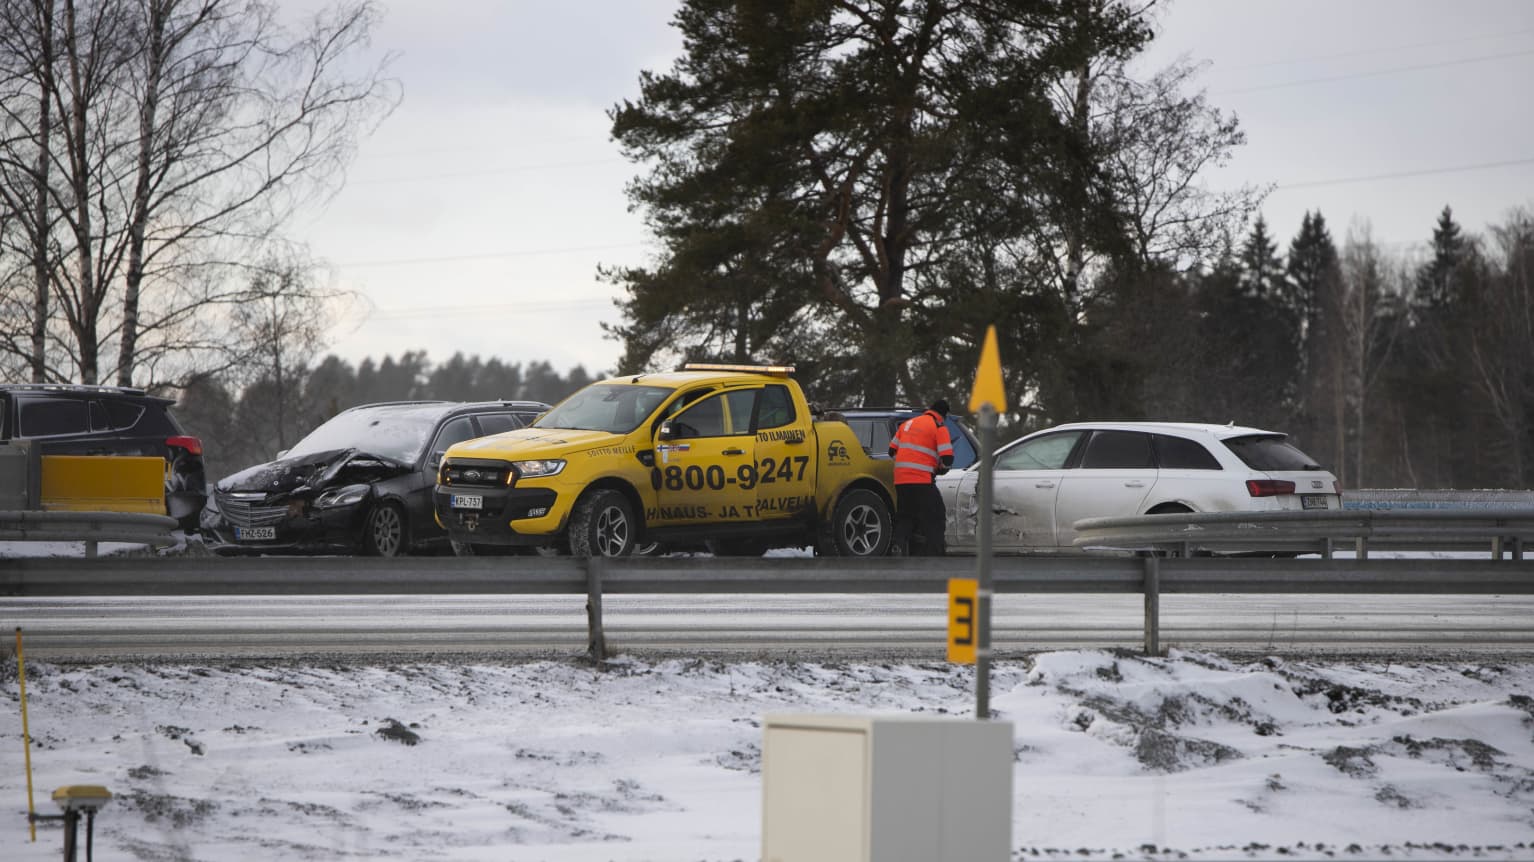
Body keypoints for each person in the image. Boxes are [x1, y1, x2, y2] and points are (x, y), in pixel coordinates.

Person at [887, 399, 954, 556]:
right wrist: (940, 468)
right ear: (944, 415)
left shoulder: (908, 424)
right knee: (936, 516)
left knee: (905, 516)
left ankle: (897, 545)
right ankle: (935, 553)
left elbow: (891, 450)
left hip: (901, 480)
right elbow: (947, 459)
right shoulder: (939, 427)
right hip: (922, 480)